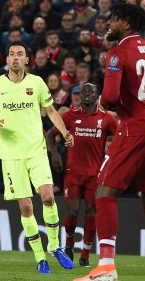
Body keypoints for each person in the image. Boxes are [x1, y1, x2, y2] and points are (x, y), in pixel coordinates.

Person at [75, 3, 145, 281]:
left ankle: (106, 267)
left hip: (135, 129)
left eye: (115, 19)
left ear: (127, 24)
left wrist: (120, 105)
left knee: (104, 193)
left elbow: (107, 97)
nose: (109, 23)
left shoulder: (117, 53)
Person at [0, 41, 75, 274]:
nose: (16, 58)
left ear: (27, 59)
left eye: (20, 54)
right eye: (12, 54)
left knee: (48, 195)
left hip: (36, 150)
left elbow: (51, 111)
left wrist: (65, 132)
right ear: (7, 60)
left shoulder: (37, 83)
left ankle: (55, 246)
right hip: (10, 155)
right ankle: (40, 258)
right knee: (26, 207)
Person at [45, 83, 117, 267]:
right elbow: (50, 136)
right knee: (73, 210)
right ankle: (69, 244)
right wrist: (55, 154)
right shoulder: (70, 115)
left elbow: (120, 139)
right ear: (78, 96)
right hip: (73, 172)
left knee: (91, 212)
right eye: (83, 91)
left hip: (95, 174)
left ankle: (85, 254)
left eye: (90, 91)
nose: (86, 94)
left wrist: (112, 159)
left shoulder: (106, 119)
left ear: (97, 96)